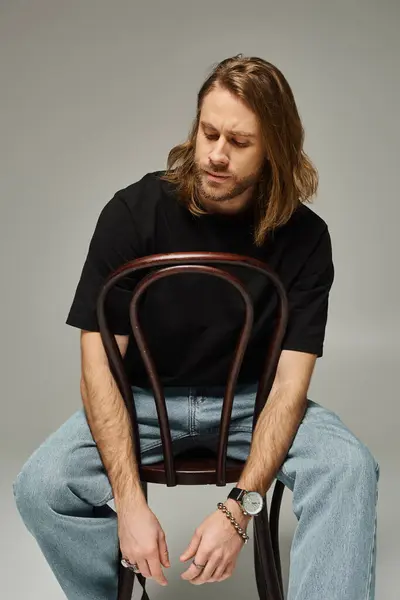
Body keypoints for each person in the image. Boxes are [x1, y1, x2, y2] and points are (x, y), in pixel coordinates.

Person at [13, 55, 379, 600]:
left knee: (349, 467)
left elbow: (290, 385)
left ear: (274, 149)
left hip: (254, 405)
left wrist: (239, 510)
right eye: (209, 132)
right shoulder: (131, 212)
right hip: (139, 403)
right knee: (41, 486)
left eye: (239, 142)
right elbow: (97, 365)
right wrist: (130, 507)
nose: (215, 154)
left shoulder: (306, 238)